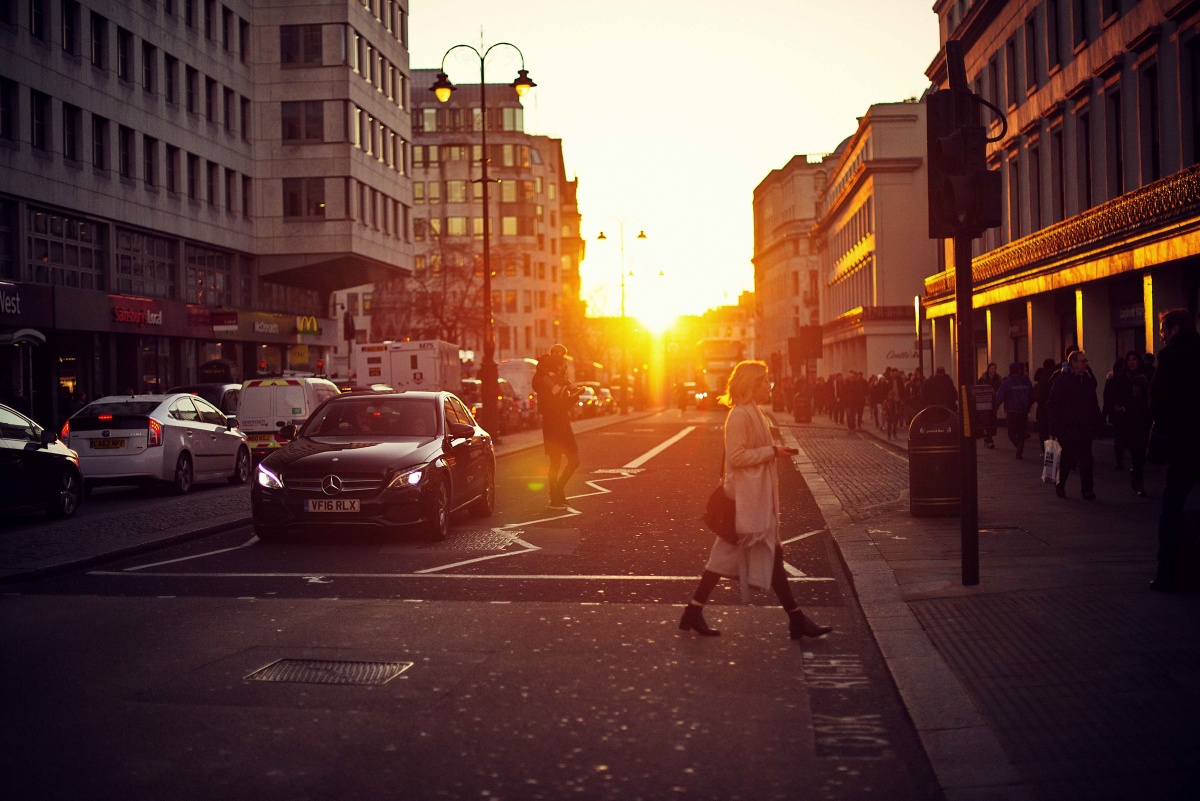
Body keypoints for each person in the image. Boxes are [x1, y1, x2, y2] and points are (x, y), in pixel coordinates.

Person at [680, 360, 831, 640]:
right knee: (764, 553)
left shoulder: (753, 412)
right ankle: (796, 619)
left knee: (732, 558)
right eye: (764, 382)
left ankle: (694, 610)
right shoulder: (739, 415)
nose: (768, 386)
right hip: (744, 501)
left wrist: (774, 451)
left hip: (752, 498)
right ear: (752, 384)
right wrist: (772, 451)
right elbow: (736, 458)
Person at [1148, 309, 1200, 592]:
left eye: (1163, 330)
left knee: (1171, 508)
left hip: (1183, 445)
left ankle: (1166, 571)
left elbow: (1157, 399)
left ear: (1175, 329)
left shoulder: (1171, 358)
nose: (1161, 335)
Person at [1047, 349, 1102, 500]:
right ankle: (1060, 483)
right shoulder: (1062, 379)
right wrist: (1054, 425)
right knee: (1067, 458)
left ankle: (1087, 490)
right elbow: (1053, 403)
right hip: (1067, 427)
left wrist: (1098, 421)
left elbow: (1093, 402)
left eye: (1086, 361)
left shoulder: (1087, 379)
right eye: (1082, 361)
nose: (1086, 364)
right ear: (1073, 363)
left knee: (1087, 459)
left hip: (1084, 427)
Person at [533, 344, 583, 510]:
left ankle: (557, 490)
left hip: (564, 423)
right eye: (562, 365)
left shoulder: (560, 381)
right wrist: (561, 397)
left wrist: (573, 397)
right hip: (552, 425)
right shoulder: (542, 381)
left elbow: (564, 405)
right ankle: (555, 498)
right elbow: (546, 407)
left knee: (574, 460)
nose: (564, 369)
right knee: (555, 463)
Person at [1108, 351, 1151, 495]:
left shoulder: (1146, 378)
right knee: (1136, 452)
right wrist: (1119, 408)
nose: (1132, 362)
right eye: (1129, 360)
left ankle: (1136, 473)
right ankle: (1139, 482)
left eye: (1134, 359)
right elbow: (1117, 397)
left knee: (1143, 452)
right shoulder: (1121, 379)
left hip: (1144, 419)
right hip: (1129, 420)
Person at [994, 362, 1033, 458]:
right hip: (1023, 411)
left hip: (1012, 411)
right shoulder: (1026, 381)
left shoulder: (1007, 382)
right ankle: (1020, 448)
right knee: (1021, 431)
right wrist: (1028, 406)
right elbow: (1032, 395)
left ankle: (1017, 445)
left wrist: (996, 405)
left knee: (1011, 432)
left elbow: (1000, 396)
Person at [977, 363, 1001, 448]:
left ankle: (989, 439)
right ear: (988, 369)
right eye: (992, 368)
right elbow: (978, 388)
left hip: (993, 403)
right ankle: (988, 439)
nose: (993, 370)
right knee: (986, 421)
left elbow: (1000, 390)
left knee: (992, 421)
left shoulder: (997, 379)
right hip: (985, 403)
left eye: (995, 368)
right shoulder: (983, 379)